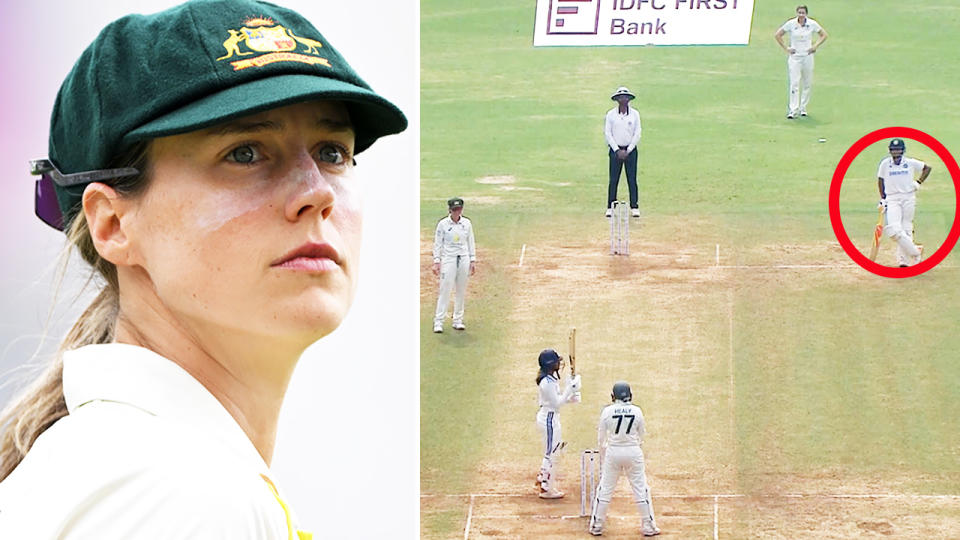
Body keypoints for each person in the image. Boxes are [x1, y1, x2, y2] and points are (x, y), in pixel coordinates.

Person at [0, 1, 407, 538]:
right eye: (244, 153)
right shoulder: (184, 494)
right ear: (113, 224)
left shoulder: (143, 467)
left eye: (333, 151)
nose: (317, 192)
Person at [589, 381, 660, 537]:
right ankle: (648, 525)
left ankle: (597, 525)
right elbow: (642, 434)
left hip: (613, 452)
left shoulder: (607, 411)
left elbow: (601, 437)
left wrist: (604, 453)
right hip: (633, 451)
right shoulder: (637, 411)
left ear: (612, 396)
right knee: (641, 489)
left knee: (605, 489)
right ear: (630, 396)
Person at [535, 349, 581, 499]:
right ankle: (547, 488)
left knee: (552, 450)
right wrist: (569, 389)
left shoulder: (550, 380)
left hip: (551, 417)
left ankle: (543, 477)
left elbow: (557, 400)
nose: (559, 364)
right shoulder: (546, 383)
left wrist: (571, 396)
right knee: (553, 453)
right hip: (548, 419)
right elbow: (556, 403)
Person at [878, 138, 931, 267]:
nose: (896, 152)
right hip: (892, 199)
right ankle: (915, 252)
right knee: (894, 230)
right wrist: (883, 198)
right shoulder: (885, 164)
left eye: (898, 150)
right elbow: (880, 181)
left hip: (908, 197)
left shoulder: (910, 162)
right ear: (890, 151)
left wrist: (918, 183)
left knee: (906, 229)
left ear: (903, 150)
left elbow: (927, 168)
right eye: (894, 150)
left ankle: (903, 261)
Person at [774, 5, 828, 119]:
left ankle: (803, 108)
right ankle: (793, 109)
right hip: (795, 57)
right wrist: (786, 48)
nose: (801, 15)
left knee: (807, 83)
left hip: (807, 56)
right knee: (794, 83)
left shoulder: (812, 24)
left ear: (806, 14)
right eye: (799, 13)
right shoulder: (791, 24)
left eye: (803, 13)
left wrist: (815, 46)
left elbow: (824, 35)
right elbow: (778, 35)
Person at [432, 197, 476, 333]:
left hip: (463, 258)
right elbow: (438, 243)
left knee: (461, 290)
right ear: (450, 210)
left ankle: (458, 320)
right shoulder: (443, 224)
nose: (457, 212)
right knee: (445, 289)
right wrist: (437, 261)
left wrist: (472, 259)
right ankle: (438, 321)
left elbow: (471, 242)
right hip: (449, 259)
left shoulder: (466, 223)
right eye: (454, 210)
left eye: (459, 209)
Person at [604, 86, 642, 218]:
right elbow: (608, 133)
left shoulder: (635, 114)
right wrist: (616, 150)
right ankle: (610, 206)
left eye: (625, 97)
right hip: (615, 151)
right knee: (613, 179)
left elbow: (637, 133)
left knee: (632, 179)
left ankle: (634, 206)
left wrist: (629, 149)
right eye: (621, 97)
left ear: (629, 99)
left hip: (630, 151)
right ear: (617, 100)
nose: (623, 99)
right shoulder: (611, 115)